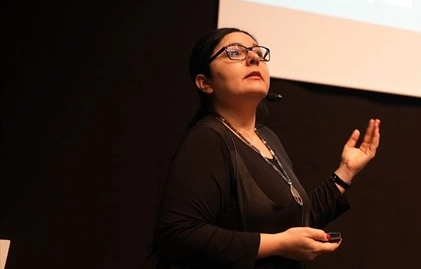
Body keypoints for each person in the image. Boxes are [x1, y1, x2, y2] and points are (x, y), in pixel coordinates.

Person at [151, 27, 381, 269]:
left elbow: (294, 221)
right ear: (205, 83)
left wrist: (345, 172)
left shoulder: (267, 137)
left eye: (258, 53)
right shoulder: (208, 138)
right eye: (234, 52)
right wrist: (278, 244)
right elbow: (178, 235)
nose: (253, 58)